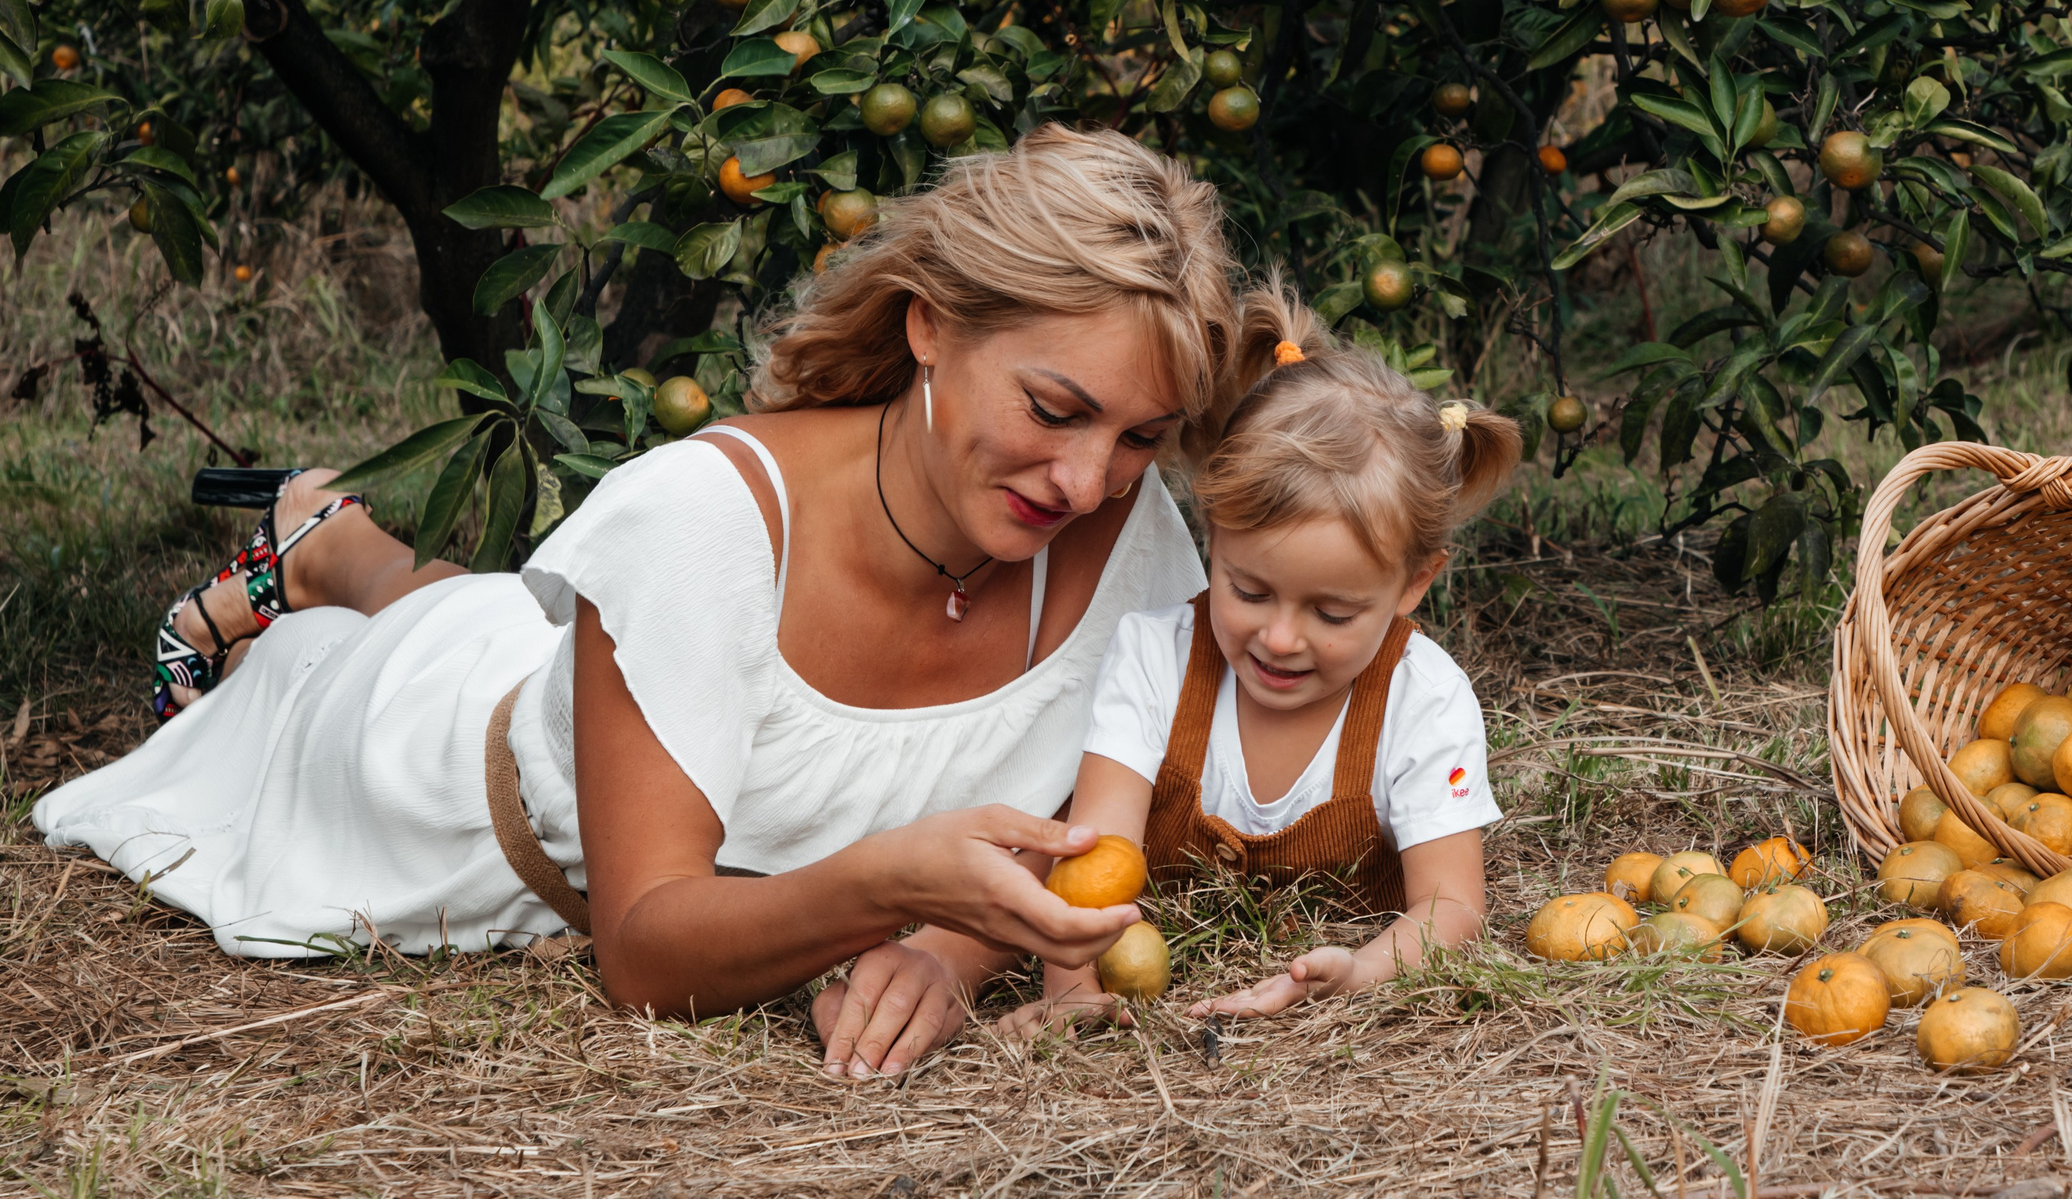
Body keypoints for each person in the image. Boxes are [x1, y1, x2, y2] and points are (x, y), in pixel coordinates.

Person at [35, 126, 1241, 1080]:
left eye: (1141, 435)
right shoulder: (699, 522)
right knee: (335, 670)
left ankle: (339, 539)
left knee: (509, 612)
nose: (1088, 481)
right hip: (445, 779)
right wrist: (892, 887)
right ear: (931, 324)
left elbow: (1086, 817)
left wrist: (955, 947)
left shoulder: (1117, 525)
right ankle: (324, 561)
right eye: (1052, 409)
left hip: (560, 658)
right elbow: (645, 951)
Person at [1005, 282, 1519, 1029]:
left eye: (1332, 611)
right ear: (1213, 536)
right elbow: (1093, 858)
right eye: (1247, 590)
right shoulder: (1156, 659)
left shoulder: (1424, 700)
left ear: (1414, 583)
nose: (1279, 637)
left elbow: (1450, 906)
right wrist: (1073, 987)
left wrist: (1363, 968)